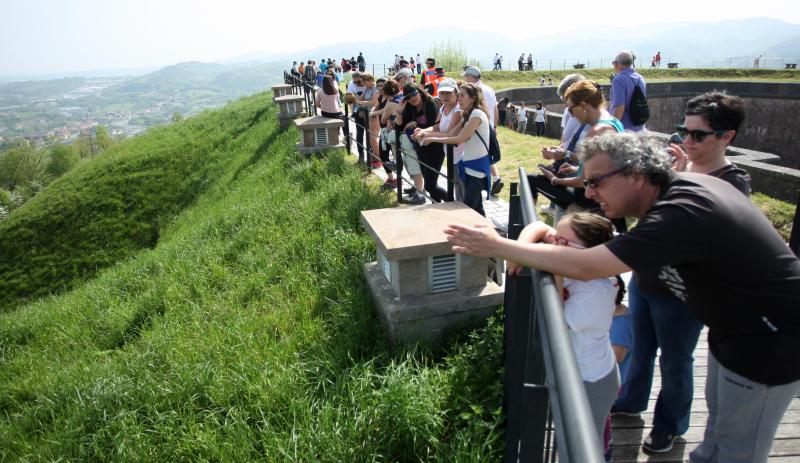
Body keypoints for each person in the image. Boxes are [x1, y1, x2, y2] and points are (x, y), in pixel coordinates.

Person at [444, 131, 800, 463]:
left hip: (770, 342)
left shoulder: (678, 213)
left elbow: (587, 266)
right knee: (716, 437)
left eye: (596, 182)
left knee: (738, 450)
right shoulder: (677, 195)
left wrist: (498, 246)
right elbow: (565, 244)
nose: (589, 193)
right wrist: (519, 248)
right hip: (735, 331)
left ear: (637, 174)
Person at [612, 91, 751, 454]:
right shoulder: (679, 169)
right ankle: (630, 402)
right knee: (641, 350)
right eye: (683, 131)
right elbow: (651, 219)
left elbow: (704, 235)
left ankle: (669, 426)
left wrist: (678, 179)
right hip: (647, 278)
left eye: (698, 135)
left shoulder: (732, 181)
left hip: (684, 292)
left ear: (727, 137)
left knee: (675, 361)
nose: (687, 141)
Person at [510, 212, 621, 448]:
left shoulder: (596, 293)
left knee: (583, 446)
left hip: (591, 381)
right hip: (576, 370)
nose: (552, 244)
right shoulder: (577, 266)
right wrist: (518, 254)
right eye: (555, 238)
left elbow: (557, 324)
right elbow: (538, 226)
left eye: (561, 243)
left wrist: (556, 266)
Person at [532, 80, 628, 233]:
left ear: (583, 105)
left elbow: (583, 183)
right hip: (609, 206)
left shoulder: (597, 131)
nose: (571, 115)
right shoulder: (614, 122)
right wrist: (575, 167)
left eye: (571, 110)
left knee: (532, 179)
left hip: (598, 209)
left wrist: (553, 179)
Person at [417, 83, 490, 215]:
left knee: (470, 206)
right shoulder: (468, 114)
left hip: (476, 166)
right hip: (467, 164)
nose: (459, 99)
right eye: (459, 95)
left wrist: (432, 139)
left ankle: (480, 232)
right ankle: (478, 231)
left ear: (473, 98)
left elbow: (459, 138)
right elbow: (451, 134)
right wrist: (425, 133)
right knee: (471, 204)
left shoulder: (477, 114)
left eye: (462, 96)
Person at [413, 78, 463, 200]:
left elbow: (448, 133)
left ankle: (454, 207)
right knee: (458, 188)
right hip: (451, 153)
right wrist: (423, 130)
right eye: (442, 93)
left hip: (461, 154)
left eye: (448, 93)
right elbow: (436, 126)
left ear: (456, 93)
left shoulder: (458, 109)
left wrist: (426, 135)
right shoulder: (443, 108)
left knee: (462, 190)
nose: (444, 96)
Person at [394, 83, 441, 205]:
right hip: (421, 148)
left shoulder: (430, 104)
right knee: (429, 183)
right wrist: (400, 109)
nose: (412, 99)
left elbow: (435, 126)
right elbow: (398, 127)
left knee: (430, 185)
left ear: (419, 92)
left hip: (434, 147)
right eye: (408, 97)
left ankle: (451, 201)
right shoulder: (410, 107)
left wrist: (415, 124)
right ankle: (437, 205)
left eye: (414, 94)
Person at [461, 66, 502, 195]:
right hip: (488, 126)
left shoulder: (474, 91)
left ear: (471, 77)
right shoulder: (490, 89)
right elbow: (495, 110)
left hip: (477, 126)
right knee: (487, 154)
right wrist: (494, 127)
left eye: (466, 77)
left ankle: (490, 181)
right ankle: (495, 178)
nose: (465, 79)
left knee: (479, 156)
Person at [610, 50, 647, 132]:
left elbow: (619, 108)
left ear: (616, 63)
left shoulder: (618, 80)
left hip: (625, 130)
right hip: (640, 128)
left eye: (613, 63)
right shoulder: (640, 78)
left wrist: (611, 130)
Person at [376, 79, 402, 190]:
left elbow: (383, 119)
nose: (380, 89)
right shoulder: (402, 98)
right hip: (399, 132)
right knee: (396, 157)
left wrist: (372, 113)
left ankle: (394, 179)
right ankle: (396, 179)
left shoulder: (390, 102)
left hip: (392, 133)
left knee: (385, 155)